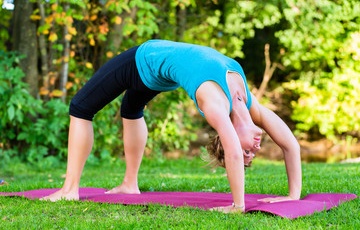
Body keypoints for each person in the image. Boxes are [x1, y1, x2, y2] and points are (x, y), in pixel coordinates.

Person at [41, 40, 302, 213]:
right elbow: (291, 145)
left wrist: (240, 205)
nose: (253, 151)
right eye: (250, 154)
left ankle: (70, 190)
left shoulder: (216, 105)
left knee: (80, 107)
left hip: (146, 61)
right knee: (130, 110)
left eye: (248, 154)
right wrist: (290, 196)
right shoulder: (249, 103)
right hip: (156, 66)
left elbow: (233, 151)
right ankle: (125, 184)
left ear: (229, 137)